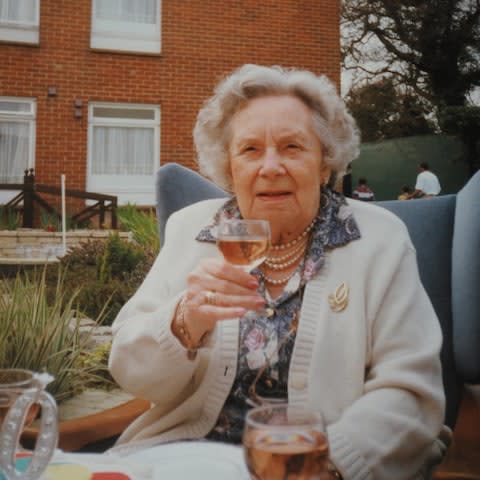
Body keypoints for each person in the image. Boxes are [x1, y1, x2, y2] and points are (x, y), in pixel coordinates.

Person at [108, 64, 447, 479]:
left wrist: (327, 463)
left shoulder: (379, 240)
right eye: (250, 150)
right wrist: (183, 321)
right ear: (230, 168)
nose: (270, 166)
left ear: (325, 163)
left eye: (292, 147)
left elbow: (411, 391)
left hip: (319, 465)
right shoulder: (190, 232)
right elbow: (128, 370)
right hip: (184, 457)